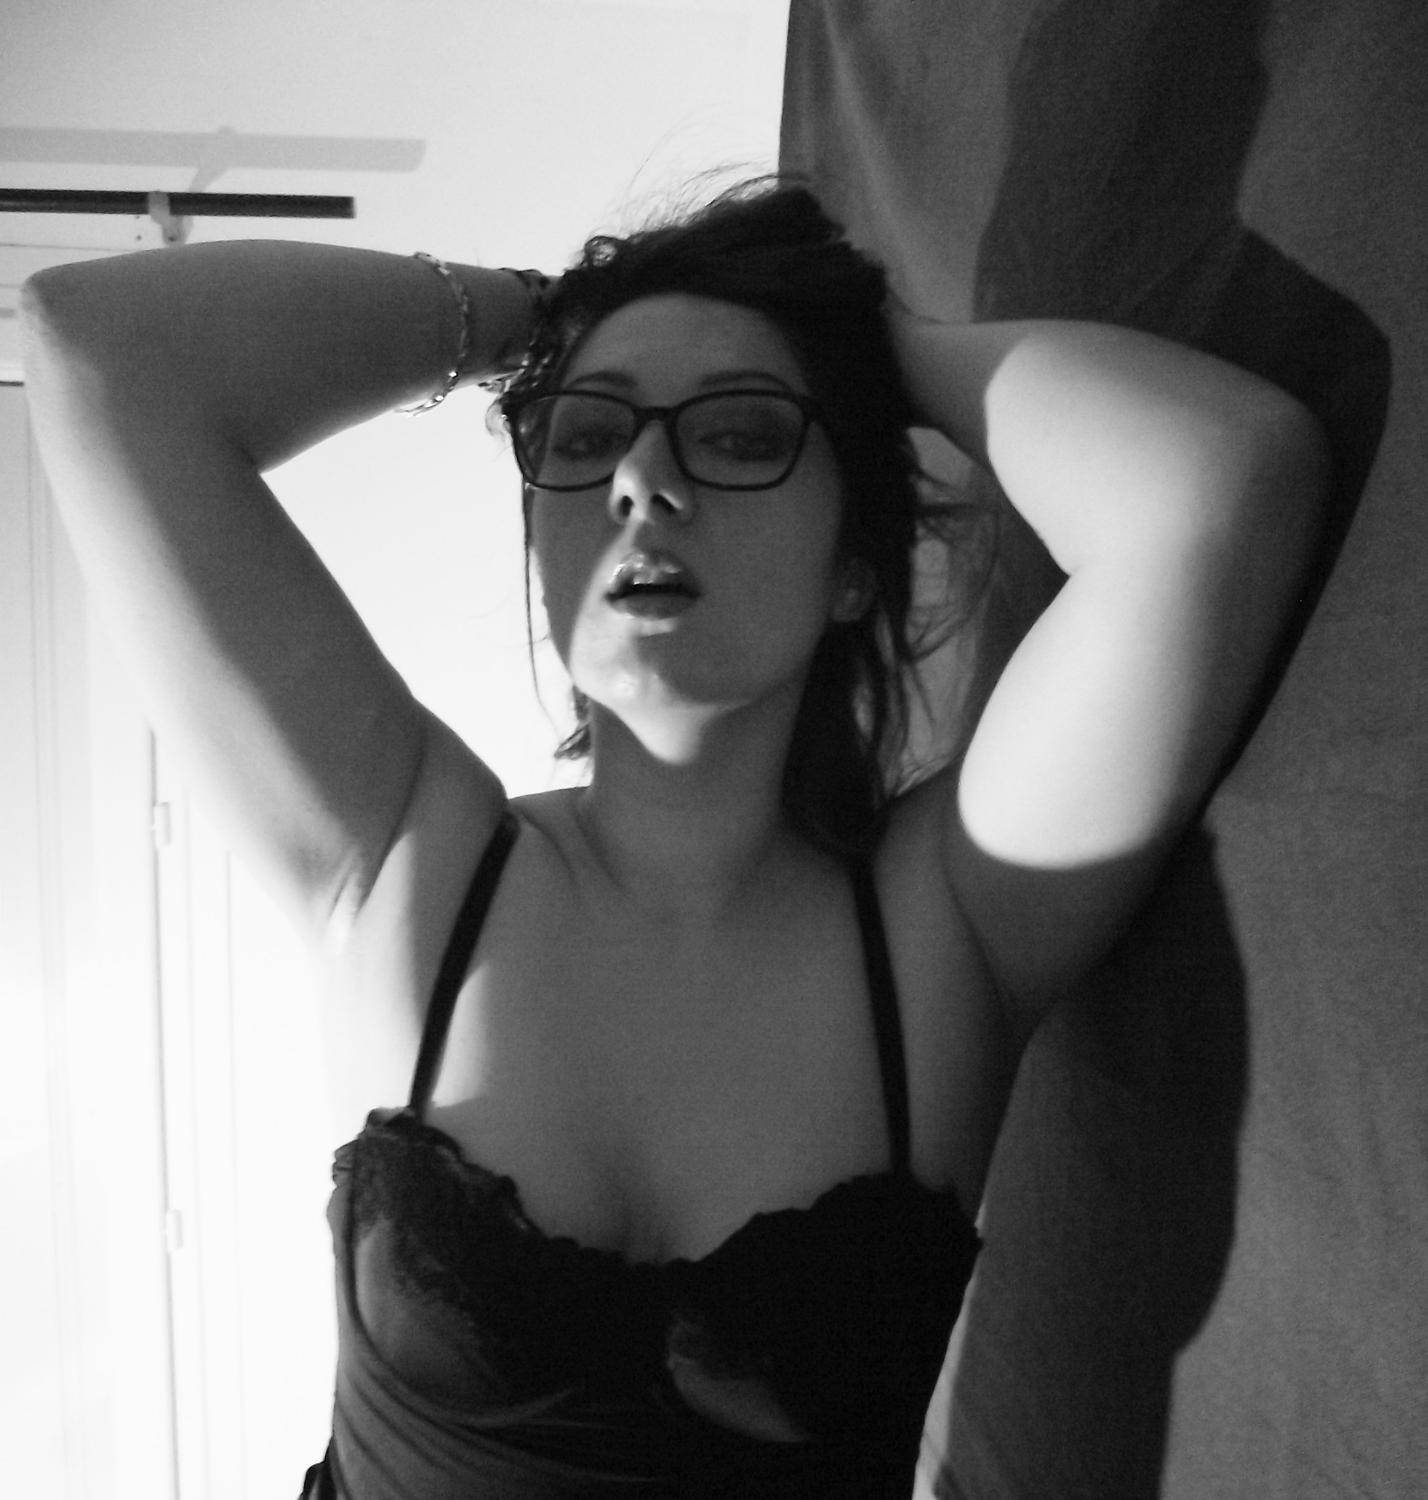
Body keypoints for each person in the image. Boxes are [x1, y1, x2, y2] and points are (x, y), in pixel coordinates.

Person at [19, 182, 1326, 1498]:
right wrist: (551, 314)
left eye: (742, 434)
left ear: (854, 567)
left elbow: (1220, 477)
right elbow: (100, 347)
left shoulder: (950, 921)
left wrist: (849, 342)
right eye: (590, 436)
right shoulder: (410, 856)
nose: (644, 481)